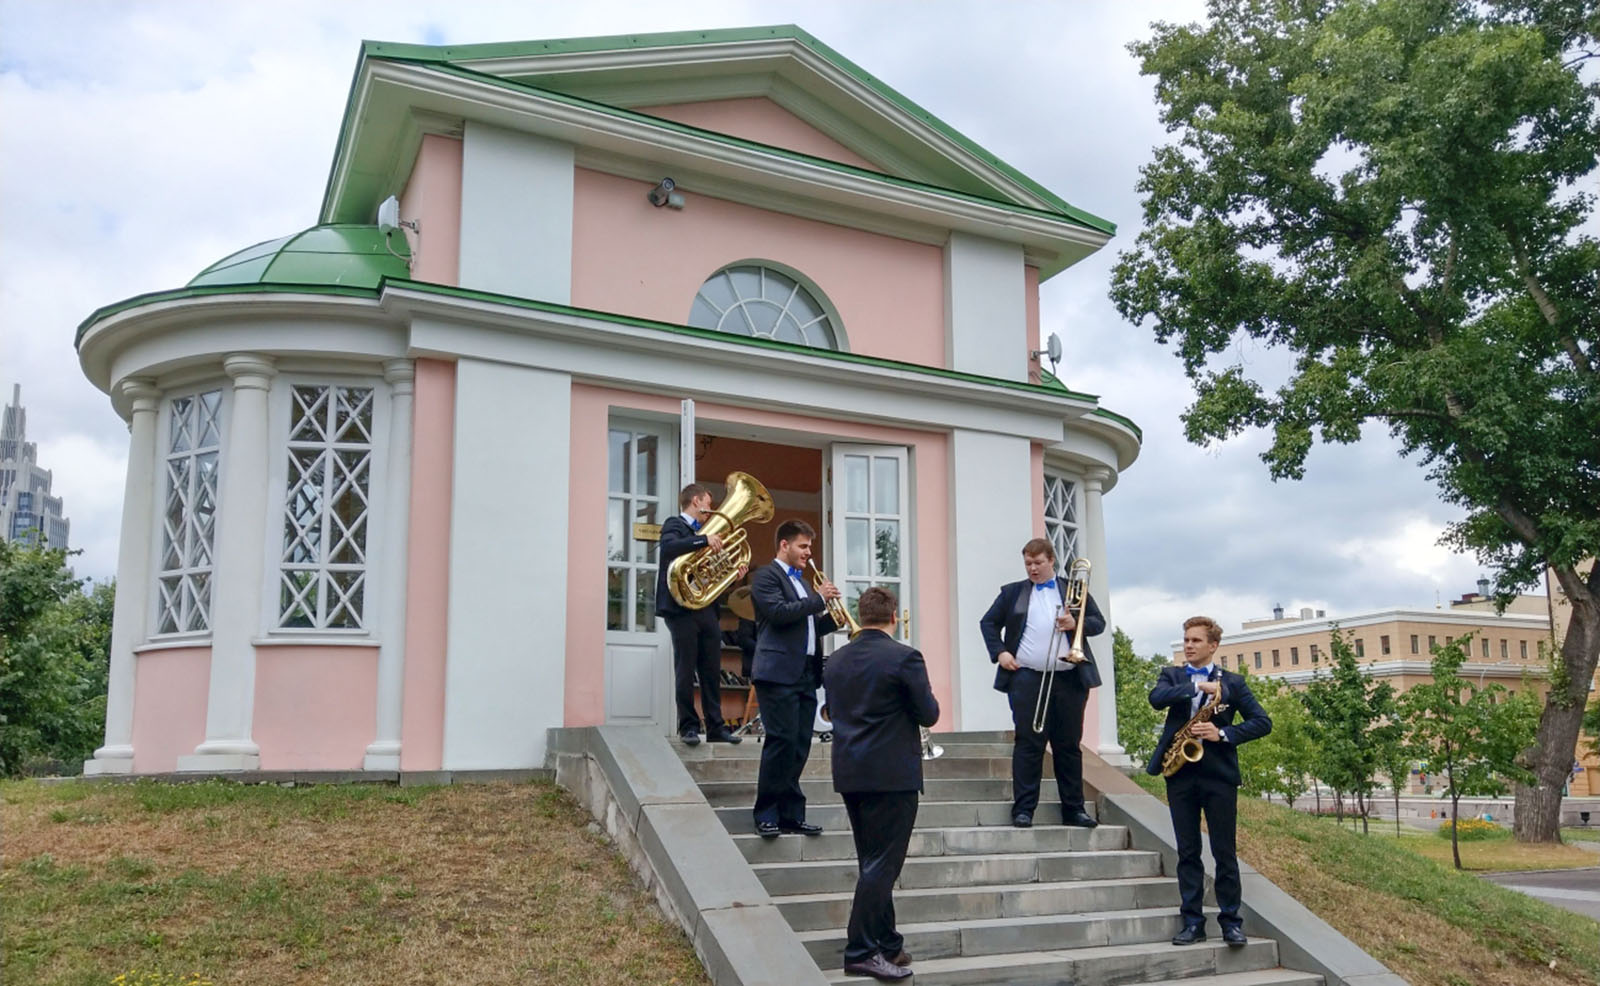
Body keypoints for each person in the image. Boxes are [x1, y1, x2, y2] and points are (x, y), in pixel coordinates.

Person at [824, 587, 939, 983]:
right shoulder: (905, 657)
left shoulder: (835, 660)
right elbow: (929, 712)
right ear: (893, 617)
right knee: (883, 864)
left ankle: (888, 941)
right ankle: (860, 950)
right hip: (891, 775)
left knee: (871, 860)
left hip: (850, 772)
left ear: (862, 614)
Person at [1148, 615, 1273, 948]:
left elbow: (1262, 722)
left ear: (1213, 645)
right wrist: (1195, 687)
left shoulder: (1233, 682)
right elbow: (1156, 699)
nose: (1188, 645)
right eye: (1186, 640)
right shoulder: (1172, 675)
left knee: (1224, 852)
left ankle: (1231, 922)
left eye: (1196, 641)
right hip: (1180, 773)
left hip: (1219, 775)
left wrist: (1222, 733)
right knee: (1187, 852)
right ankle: (1192, 922)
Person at [979, 537, 1104, 829]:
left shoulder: (1074, 589)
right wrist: (1001, 652)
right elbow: (988, 623)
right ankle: (1023, 809)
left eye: (1038, 563)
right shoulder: (1013, 593)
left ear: (1051, 561)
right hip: (1027, 677)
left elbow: (1098, 623)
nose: (1032, 569)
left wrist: (1077, 624)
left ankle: (1074, 810)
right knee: (1028, 743)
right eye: (1028, 564)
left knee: (1068, 745)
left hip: (1070, 679)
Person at [749, 519, 840, 837]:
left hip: (804, 673)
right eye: (803, 546)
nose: (808, 552)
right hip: (776, 673)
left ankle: (791, 814)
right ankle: (766, 813)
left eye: (810, 547)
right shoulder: (765, 577)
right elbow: (778, 613)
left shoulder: (802, 583)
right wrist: (818, 600)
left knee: (800, 744)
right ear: (784, 545)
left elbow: (807, 625)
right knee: (781, 741)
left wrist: (831, 618)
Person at [656, 483, 741, 746]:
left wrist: (733, 574)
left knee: (711, 670)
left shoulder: (706, 532)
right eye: (708, 503)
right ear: (695, 501)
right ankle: (688, 727)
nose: (711, 510)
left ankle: (716, 728)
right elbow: (669, 549)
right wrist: (703, 540)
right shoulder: (675, 524)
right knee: (685, 669)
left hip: (705, 609)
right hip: (681, 609)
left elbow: (712, 573)